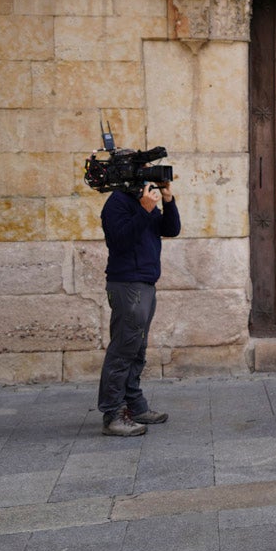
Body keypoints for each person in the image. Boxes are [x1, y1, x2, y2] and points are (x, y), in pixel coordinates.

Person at [97, 178, 180, 437]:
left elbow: (172, 228)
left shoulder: (142, 201)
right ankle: (112, 413)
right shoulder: (117, 204)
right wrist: (144, 209)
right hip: (127, 283)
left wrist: (167, 200)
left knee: (137, 349)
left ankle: (134, 406)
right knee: (123, 350)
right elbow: (120, 241)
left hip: (144, 282)